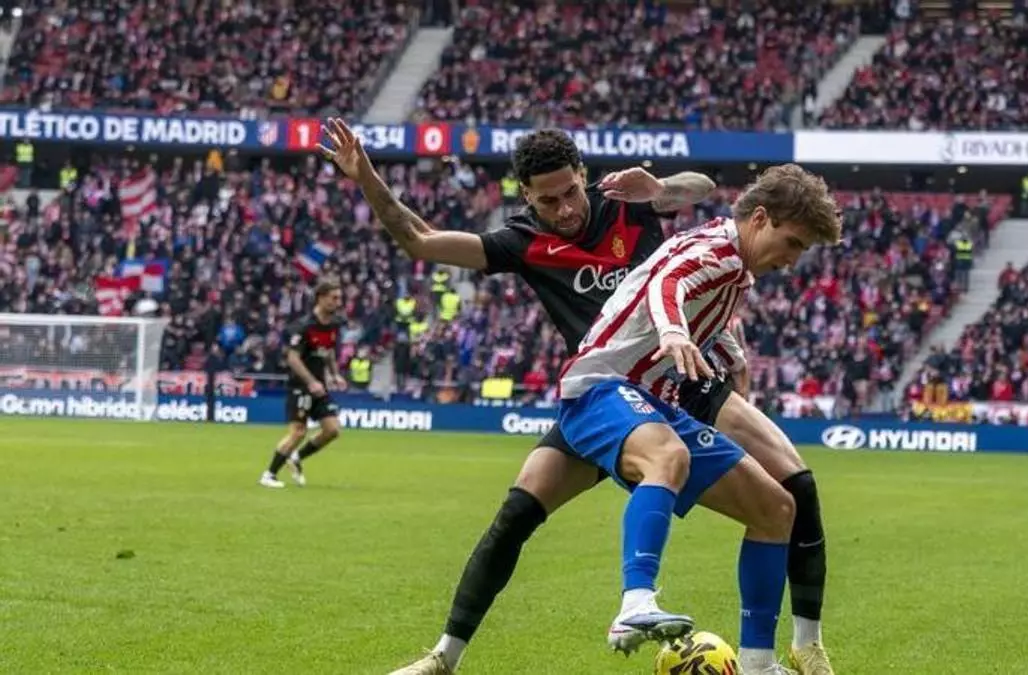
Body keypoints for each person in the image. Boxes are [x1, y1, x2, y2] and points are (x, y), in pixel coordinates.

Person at [318, 118, 836, 674]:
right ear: (526, 196)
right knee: (517, 515)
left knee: (787, 497)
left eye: (571, 192)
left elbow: (705, 190)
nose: (565, 208)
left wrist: (660, 188)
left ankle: (790, 651)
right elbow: (417, 239)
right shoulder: (521, 241)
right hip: (603, 384)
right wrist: (365, 175)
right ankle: (445, 657)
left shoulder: (627, 201)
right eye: (549, 200)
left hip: (676, 384)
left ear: (583, 175)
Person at [555, 165, 842, 673]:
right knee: (668, 455)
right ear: (760, 219)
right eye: (793, 242)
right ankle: (635, 604)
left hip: (655, 403)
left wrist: (732, 355)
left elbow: (700, 308)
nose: (793, 260)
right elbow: (667, 282)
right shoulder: (716, 251)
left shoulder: (734, 270)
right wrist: (672, 332)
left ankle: (758, 664)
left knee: (777, 509)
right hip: (599, 388)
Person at [258, 277, 346, 488]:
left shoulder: (334, 324)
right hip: (300, 386)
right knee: (298, 432)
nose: (338, 302)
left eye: (339, 298)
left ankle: (296, 458)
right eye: (334, 298)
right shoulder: (303, 326)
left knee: (332, 430)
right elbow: (293, 358)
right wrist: (311, 382)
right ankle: (269, 475)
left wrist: (335, 374)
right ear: (321, 298)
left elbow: (328, 351)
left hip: (319, 386)